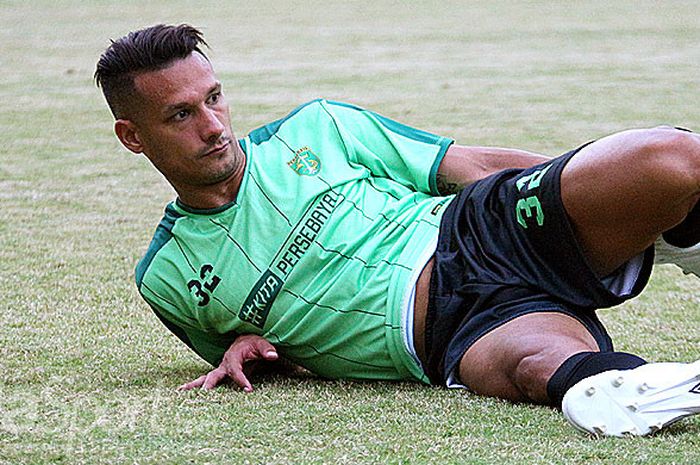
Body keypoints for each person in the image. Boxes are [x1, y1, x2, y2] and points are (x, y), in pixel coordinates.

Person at [95, 24, 700, 437]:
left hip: (481, 230)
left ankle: (673, 232)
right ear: (133, 136)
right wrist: (250, 351)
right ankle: (638, 377)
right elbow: (272, 362)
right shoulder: (168, 278)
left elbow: (476, 166)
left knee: (670, 160)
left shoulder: (319, 127)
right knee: (554, 372)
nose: (213, 126)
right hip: (445, 333)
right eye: (181, 114)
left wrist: (591, 191)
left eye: (214, 98)